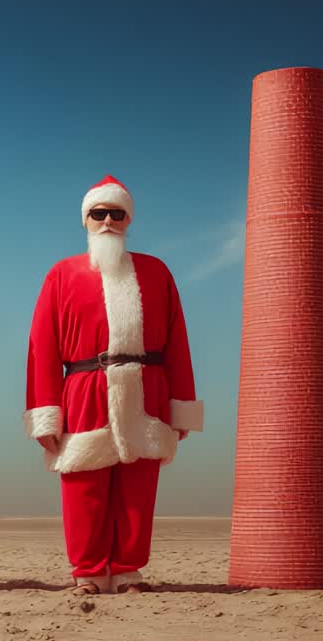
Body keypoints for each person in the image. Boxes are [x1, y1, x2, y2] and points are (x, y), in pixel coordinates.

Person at [23, 174, 204, 595]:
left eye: (116, 213)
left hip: (148, 387)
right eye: (98, 214)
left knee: (138, 488)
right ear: (85, 220)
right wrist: (45, 413)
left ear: (128, 220)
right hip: (84, 387)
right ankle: (87, 572)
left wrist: (180, 406)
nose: (107, 221)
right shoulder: (61, 274)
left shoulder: (157, 271)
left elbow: (178, 342)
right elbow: (42, 346)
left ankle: (127, 572)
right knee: (83, 485)